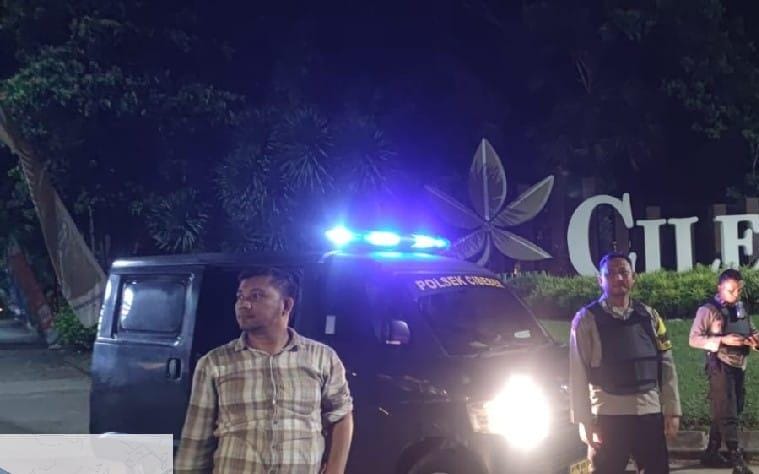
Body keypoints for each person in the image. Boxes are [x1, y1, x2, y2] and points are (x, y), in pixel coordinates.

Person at [175, 267, 354, 474]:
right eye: (240, 297)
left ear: (286, 305)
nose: (243, 304)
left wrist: (335, 470)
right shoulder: (214, 363)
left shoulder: (322, 358)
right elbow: (196, 440)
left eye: (256, 296)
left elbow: (341, 415)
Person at [569, 252, 682, 474]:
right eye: (610, 274)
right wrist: (584, 421)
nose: (618, 278)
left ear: (633, 278)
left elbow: (666, 363)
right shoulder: (585, 320)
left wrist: (672, 410)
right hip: (608, 415)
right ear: (600, 280)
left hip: (648, 413)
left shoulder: (650, 316)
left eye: (623, 272)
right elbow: (577, 372)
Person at [689, 268, 758, 474]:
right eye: (731, 290)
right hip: (720, 365)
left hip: (739, 364)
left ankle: (711, 451)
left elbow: (751, 328)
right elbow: (694, 339)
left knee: (731, 407)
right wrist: (722, 340)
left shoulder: (740, 307)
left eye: (739, 290)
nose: (735, 295)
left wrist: (754, 339)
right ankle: (736, 459)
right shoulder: (708, 310)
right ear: (719, 288)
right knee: (728, 411)